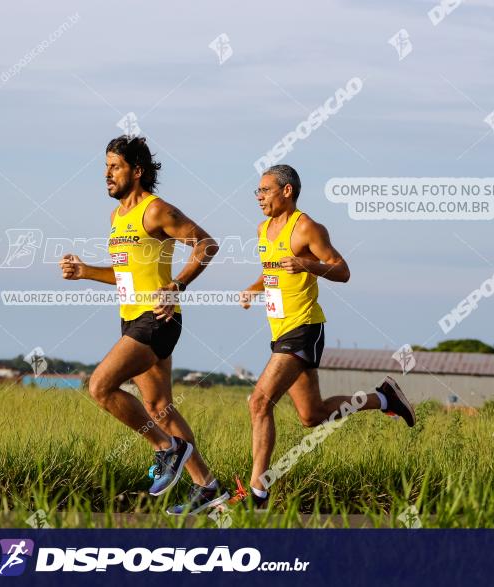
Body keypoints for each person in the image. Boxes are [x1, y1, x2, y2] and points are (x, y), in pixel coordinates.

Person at [59, 135, 228, 514]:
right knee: (158, 405)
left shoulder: (156, 211)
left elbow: (206, 244)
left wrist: (177, 286)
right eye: (105, 166)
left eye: (114, 166)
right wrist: (86, 271)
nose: (107, 174)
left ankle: (167, 448)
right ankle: (209, 490)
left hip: (157, 319)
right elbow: (125, 274)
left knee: (100, 386)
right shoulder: (117, 217)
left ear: (137, 171)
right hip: (131, 318)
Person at [231, 164, 416, 509]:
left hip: (304, 328)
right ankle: (384, 398)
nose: (259, 197)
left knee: (258, 402)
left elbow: (342, 271)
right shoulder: (262, 229)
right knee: (312, 416)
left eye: (265, 190)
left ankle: (257, 493)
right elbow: (271, 270)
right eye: (257, 191)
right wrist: (253, 289)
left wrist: (308, 266)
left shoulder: (308, 229)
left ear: (287, 191)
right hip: (279, 329)